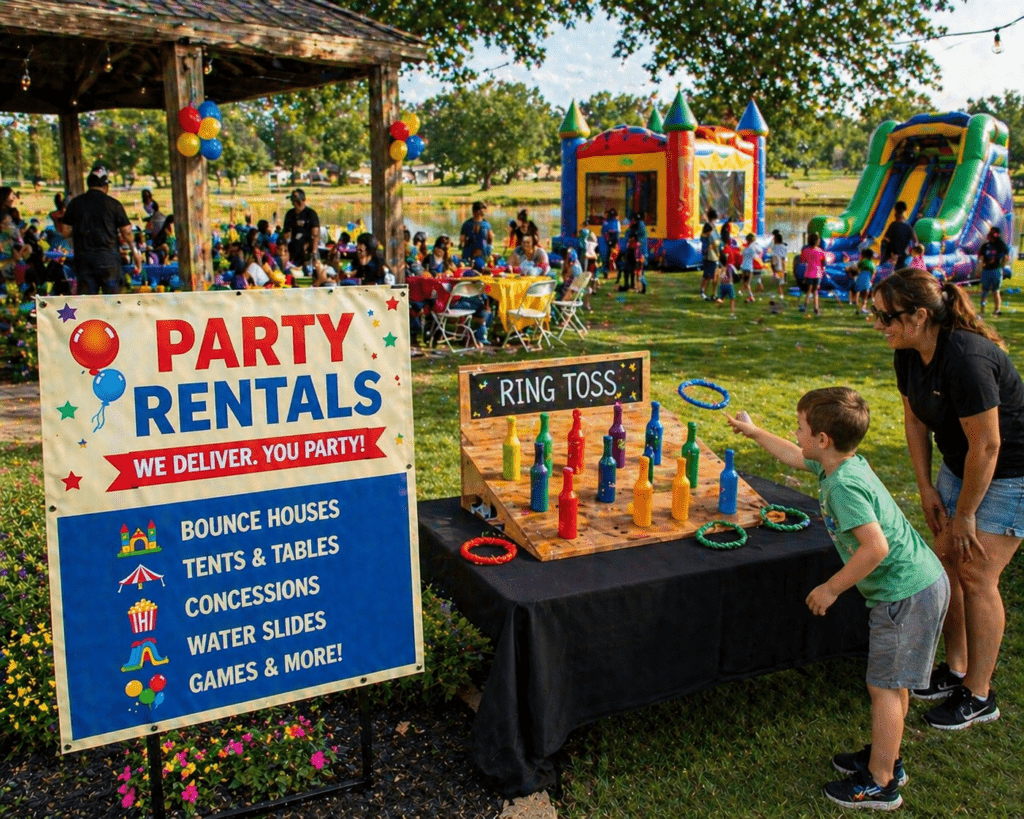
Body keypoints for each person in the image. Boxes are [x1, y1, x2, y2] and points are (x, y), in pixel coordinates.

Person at [727, 387, 949, 811]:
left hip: (906, 593)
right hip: (918, 584)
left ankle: (882, 782)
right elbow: (796, 455)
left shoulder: (844, 486)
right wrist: (755, 433)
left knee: (883, 686)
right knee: (893, 681)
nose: (796, 433)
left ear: (823, 440)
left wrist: (831, 588)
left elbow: (875, 548)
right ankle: (890, 758)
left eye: (801, 427)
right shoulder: (842, 464)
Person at [872, 268, 1024, 730]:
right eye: (875, 316)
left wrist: (966, 516)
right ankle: (956, 668)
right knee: (947, 568)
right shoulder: (908, 352)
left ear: (919, 315)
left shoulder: (968, 359)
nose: (880, 326)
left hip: (1011, 473)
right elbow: (916, 421)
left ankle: (979, 694)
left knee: (977, 574)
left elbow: (990, 446)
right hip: (960, 468)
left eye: (887, 317)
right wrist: (925, 486)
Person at [57, 164, 141, 295]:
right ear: (106, 186)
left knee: (88, 305)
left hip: (84, 260)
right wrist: (135, 251)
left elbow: (65, 231)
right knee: (113, 304)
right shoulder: (114, 204)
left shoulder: (75, 204)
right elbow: (127, 232)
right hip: (109, 260)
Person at [976, 226, 1010, 317]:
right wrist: (979, 269)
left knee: (995, 291)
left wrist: (1001, 266)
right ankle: (982, 310)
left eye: (992, 233)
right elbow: (981, 259)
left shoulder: (1001, 245)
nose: (990, 235)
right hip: (986, 271)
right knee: (985, 291)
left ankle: (996, 310)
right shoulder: (985, 246)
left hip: (995, 271)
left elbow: (1006, 257)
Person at [282, 189, 320, 268]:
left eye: (295, 200)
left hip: (307, 248)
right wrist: (285, 249)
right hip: (294, 248)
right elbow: (286, 233)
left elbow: (315, 234)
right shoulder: (290, 214)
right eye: (292, 200)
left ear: (301, 201)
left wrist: (313, 251)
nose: (293, 203)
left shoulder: (311, 214)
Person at [880, 201, 915, 271]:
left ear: (895, 211)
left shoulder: (893, 225)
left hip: (890, 257)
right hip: (902, 259)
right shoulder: (909, 228)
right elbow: (915, 242)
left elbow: (885, 241)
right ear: (905, 211)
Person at [459, 201, 493, 267]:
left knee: (480, 264)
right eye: (482, 209)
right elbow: (462, 240)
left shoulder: (486, 224)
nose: (484, 211)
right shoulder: (467, 224)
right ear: (475, 211)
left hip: (482, 254)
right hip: (469, 254)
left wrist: (488, 251)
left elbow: (490, 239)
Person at [800, 232, 826, 316]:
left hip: (809, 274)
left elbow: (803, 261)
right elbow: (824, 262)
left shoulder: (805, 251)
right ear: (818, 241)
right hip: (818, 274)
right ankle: (816, 309)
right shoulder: (820, 251)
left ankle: (805, 306)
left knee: (808, 291)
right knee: (815, 292)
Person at [699, 222, 719, 300]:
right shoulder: (706, 238)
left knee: (710, 275)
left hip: (711, 257)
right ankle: (704, 292)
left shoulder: (707, 237)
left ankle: (711, 293)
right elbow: (714, 245)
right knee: (708, 276)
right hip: (710, 258)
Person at [713, 252, 737, 318]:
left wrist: (715, 289)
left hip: (721, 285)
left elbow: (716, 278)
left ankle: (716, 311)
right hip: (729, 285)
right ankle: (732, 314)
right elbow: (731, 277)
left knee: (721, 298)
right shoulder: (729, 266)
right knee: (732, 299)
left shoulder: (718, 267)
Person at [601, 208, 620, 277]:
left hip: (609, 239)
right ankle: (611, 271)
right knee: (613, 256)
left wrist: (608, 240)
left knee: (609, 255)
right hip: (612, 239)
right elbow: (617, 232)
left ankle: (608, 271)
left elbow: (604, 231)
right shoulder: (616, 222)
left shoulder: (606, 222)